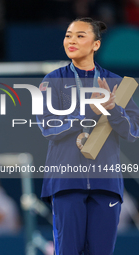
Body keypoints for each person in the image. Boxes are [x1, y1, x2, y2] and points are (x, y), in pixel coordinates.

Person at [36, 17, 139, 254]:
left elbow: (133, 132)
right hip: (66, 182)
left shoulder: (116, 84)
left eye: (80, 36)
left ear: (96, 44)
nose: (71, 40)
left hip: (106, 182)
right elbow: (48, 127)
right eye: (68, 35)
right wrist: (86, 113)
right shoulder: (53, 81)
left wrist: (113, 109)